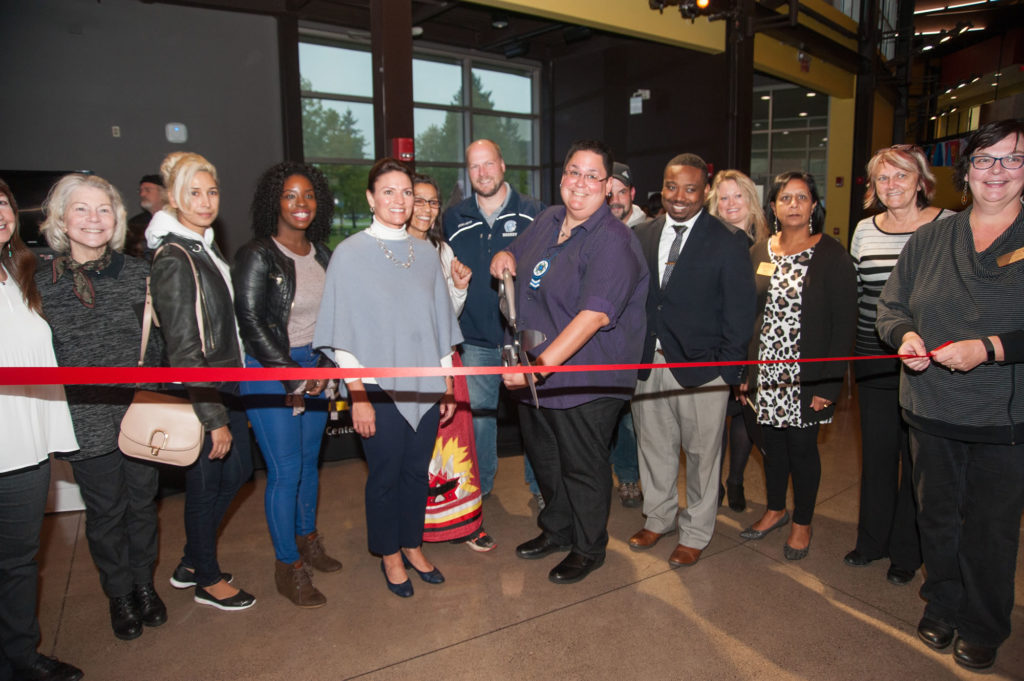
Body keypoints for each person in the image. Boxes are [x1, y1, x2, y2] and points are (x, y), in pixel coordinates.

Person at [876, 119, 1024, 671]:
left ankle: (984, 623)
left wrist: (990, 348)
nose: (997, 172)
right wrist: (904, 336)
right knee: (936, 515)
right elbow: (891, 307)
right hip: (930, 408)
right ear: (965, 172)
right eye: (985, 160)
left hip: (1002, 418)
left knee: (990, 525)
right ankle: (943, 600)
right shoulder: (932, 237)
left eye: (1012, 159)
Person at [491, 139, 648, 585]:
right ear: (562, 179)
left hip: (584, 378)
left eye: (592, 176)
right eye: (573, 173)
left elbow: (593, 317)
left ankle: (588, 546)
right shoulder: (548, 220)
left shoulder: (613, 241)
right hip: (538, 375)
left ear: (608, 186)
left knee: (582, 465)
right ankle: (557, 529)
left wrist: (536, 368)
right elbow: (515, 257)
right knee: (546, 459)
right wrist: (503, 256)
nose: (581, 183)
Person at [314, 158, 462, 598]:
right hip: (375, 390)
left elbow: (439, 324)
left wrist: (448, 381)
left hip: (425, 383)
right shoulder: (351, 253)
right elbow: (344, 333)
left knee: (417, 471)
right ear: (370, 198)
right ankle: (389, 554)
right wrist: (356, 395)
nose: (400, 200)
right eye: (389, 192)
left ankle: (412, 545)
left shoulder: (424, 253)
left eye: (406, 192)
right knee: (385, 474)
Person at [36, 174, 165, 641]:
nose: (94, 219)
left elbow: (159, 346)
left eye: (104, 209)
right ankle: (120, 594)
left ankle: (145, 586)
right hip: (85, 417)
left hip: (141, 412)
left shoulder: (141, 273)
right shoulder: (40, 282)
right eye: (81, 209)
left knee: (143, 506)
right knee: (107, 512)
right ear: (62, 220)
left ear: (116, 219)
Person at [628, 154, 755, 568]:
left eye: (689, 189)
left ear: (705, 192)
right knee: (653, 446)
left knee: (702, 456)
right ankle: (659, 516)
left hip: (704, 368)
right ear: (661, 188)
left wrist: (730, 371)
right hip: (649, 362)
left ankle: (697, 531)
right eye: (671, 186)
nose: (678, 196)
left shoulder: (728, 240)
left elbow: (739, 313)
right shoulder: (641, 234)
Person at [146, 151, 255, 611]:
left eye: (212, 192)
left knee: (240, 472)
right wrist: (212, 417)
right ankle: (207, 578)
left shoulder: (201, 247)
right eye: (194, 193)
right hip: (203, 392)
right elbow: (184, 349)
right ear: (174, 198)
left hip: (225, 385)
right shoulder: (174, 256)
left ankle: (193, 559)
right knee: (206, 484)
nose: (206, 201)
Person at [844, 145, 955, 585]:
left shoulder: (948, 225)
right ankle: (872, 541)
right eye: (882, 179)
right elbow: (856, 296)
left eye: (901, 176)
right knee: (876, 454)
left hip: (928, 361)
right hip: (873, 356)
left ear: (921, 181)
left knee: (917, 459)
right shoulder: (864, 230)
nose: (892, 186)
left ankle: (907, 553)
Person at [233, 162, 340, 608]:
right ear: (274, 201)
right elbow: (252, 321)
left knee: (309, 463)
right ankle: (288, 565)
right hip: (269, 369)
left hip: (315, 367)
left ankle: (307, 537)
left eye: (309, 196)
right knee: (285, 469)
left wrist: (322, 364)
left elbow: (334, 317)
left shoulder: (324, 254)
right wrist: (290, 372)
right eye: (291, 196)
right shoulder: (257, 254)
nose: (301, 205)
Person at [738, 171, 857, 561]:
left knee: (803, 450)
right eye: (785, 198)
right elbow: (748, 316)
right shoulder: (759, 251)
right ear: (772, 206)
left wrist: (828, 387)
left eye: (801, 198)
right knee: (772, 446)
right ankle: (775, 509)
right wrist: (746, 372)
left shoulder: (831, 254)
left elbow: (844, 326)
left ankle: (802, 522)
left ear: (814, 206)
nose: (793, 205)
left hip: (807, 378)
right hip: (765, 373)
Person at [0, 178, 84, 681]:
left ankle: (21, 657)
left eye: (2, 203)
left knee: (18, 563)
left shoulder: (19, 272)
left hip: (25, 444)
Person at [442, 139, 545, 503]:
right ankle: (480, 489)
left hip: (524, 341)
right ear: (467, 172)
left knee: (534, 417)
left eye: (488, 164)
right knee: (479, 420)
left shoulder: (536, 213)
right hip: (475, 341)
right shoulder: (453, 218)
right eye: (474, 166)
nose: (482, 173)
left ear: (503, 166)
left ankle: (541, 488)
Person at [408, 174, 495, 552]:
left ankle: (466, 523)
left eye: (432, 202)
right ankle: (414, 531)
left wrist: (458, 288)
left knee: (457, 443)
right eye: (419, 200)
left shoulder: (441, 250)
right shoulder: (385, 250)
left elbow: (448, 316)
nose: (426, 209)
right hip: (406, 367)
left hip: (446, 358)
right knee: (413, 451)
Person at [706, 169, 770, 512]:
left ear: (751, 200)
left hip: (753, 346)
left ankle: (737, 480)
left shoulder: (767, 246)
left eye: (737, 196)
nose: (730, 204)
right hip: (717, 345)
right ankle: (711, 484)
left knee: (745, 417)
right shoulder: (709, 242)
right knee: (714, 422)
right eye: (723, 198)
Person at [605, 161, 644, 509]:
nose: (616, 200)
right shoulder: (592, 230)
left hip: (633, 341)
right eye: (609, 193)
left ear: (632, 194)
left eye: (622, 192)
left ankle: (629, 477)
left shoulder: (646, 232)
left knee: (630, 421)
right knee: (600, 417)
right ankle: (598, 478)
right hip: (599, 343)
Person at [125, 174, 166, 258]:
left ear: (163, 193)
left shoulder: (177, 220)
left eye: (147, 190)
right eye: (140, 190)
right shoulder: (135, 224)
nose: (142, 194)